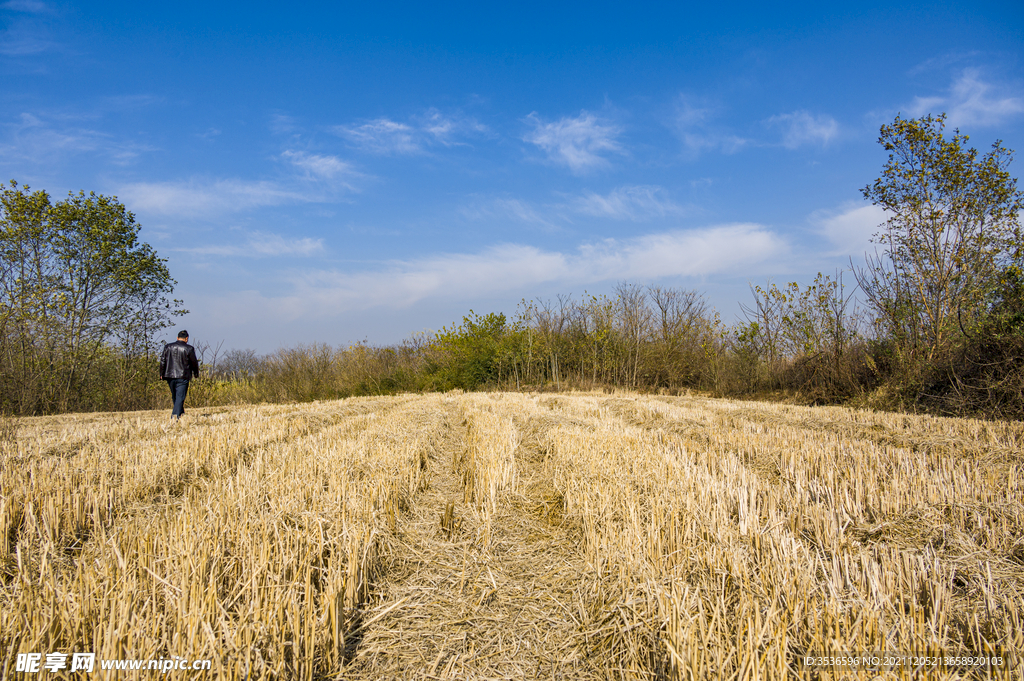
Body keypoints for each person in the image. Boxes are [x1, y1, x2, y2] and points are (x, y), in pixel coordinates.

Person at [160, 330, 200, 420]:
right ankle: (175, 416)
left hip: (169, 375)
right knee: (180, 396)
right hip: (183, 375)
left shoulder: (168, 347)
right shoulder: (189, 349)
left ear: (177, 338)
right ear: (186, 339)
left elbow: (163, 361)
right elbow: (194, 363)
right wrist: (196, 373)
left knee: (175, 396)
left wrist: (161, 373)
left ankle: (180, 413)